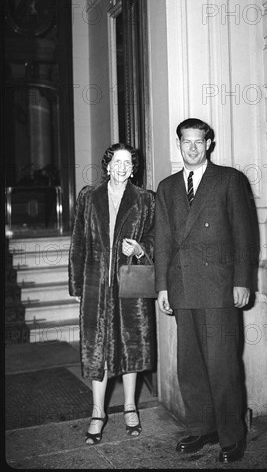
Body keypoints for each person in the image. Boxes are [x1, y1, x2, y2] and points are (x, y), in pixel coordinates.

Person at [155, 118, 257, 464]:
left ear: (209, 144)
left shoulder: (229, 180)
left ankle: (232, 436)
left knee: (223, 366)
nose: (193, 148)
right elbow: (164, 241)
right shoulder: (167, 187)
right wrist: (162, 287)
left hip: (219, 290)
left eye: (199, 141)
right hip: (183, 288)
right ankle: (202, 427)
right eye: (187, 142)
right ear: (179, 144)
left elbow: (245, 235)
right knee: (191, 366)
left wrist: (242, 281)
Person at [69, 143, 155, 445]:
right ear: (107, 166)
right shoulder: (88, 197)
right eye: (116, 162)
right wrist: (77, 285)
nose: (121, 167)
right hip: (95, 285)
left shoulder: (146, 200)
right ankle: (97, 412)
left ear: (133, 168)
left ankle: (130, 406)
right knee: (97, 348)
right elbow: (78, 242)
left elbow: (158, 237)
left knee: (130, 344)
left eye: (127, 162)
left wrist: (142, 248)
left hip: (129, 284)